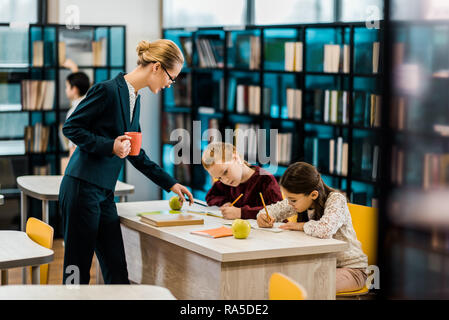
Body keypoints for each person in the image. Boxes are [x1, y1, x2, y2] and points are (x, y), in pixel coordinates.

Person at [59, 39, 193, 285]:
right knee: (76, 271)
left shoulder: (135, 100)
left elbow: (136, 153)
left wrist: (170, 183)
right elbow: (71, 127)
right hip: (81, 188)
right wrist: (110, 145)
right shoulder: (107, 90)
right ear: (156, 67)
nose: (169, 84)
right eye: (171, 77)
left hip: (104, 193)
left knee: (117, 271)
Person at [256, 161, 368, 293]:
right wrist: (263, 216)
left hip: (352, 270)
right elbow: (272, 210)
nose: (289, 203)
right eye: (288, 199)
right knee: (277, 278)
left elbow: (325, 229)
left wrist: (299, 226)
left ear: (313, 194)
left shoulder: (336, 200)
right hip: (318, 266)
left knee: (306, 286)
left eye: (292, 200)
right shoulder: (300, 201)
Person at [202, 142, 283, 219]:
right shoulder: (226, 183)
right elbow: (210, 197)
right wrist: (225, 203)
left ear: (236, 158)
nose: (225, 180)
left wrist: (241, 213)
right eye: (219, 178)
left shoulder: (265, 179)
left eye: (225, 172)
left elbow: (279, 211)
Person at [63, 58, 91, 157]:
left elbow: (73, 145)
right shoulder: (90, 103)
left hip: (79, 157)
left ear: (74, 89)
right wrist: (73, 68)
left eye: (67, 86)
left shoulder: (73, 112)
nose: (65, 90)